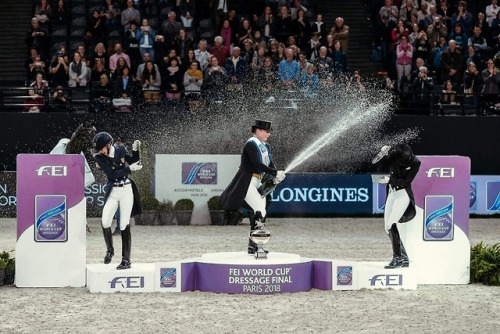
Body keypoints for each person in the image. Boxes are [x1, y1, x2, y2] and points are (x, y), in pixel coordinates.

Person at [219, 120, 286, 254]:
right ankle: (256, 243)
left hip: (258, 181)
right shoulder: (251, 143)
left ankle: (253, 245)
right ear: (258, 131)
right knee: (260, 210)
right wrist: (273, 172)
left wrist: (276, 174)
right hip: (248, 181)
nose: (269, 134)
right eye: (266, 131)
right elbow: (256, 164)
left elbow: (270, 164)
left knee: (262, 212)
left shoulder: (265, 146)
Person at [93, 132, 142, 269]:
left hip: (126, 190)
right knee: (105, 220)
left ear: (109, 145)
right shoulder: (99, 158)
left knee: (123, 224)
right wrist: (128, 169)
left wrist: (136, 151)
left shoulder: (120, 149)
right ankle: (110, 250)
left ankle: (126, 260)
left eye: (102, 148)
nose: (100, 151)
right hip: (113, 191)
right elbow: (113, 174)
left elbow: (133, 161)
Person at [372, 144, 421, 269]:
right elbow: (375, 164)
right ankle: (404, 257)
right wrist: (381, 153)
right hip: (392, 193)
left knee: (391, 224)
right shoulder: (393, 154)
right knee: (386, 227)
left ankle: (397, 258)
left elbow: (406, 181)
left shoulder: (416, 162)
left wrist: (390, 181)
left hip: (403, 194)